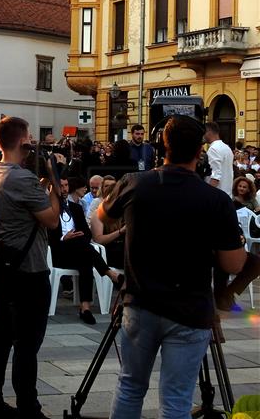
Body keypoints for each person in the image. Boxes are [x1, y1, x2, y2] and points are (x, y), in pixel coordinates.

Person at [102, 115, 245, 419]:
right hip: (189, 309)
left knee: (130, 386)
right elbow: (233, 263)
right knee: (177, 399)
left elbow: (103, 215)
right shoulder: (215, 200)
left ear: (161, 147)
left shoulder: (135, 183)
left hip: (140, 304)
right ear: (199, 152)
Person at [0, 116, 61, 419]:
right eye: (29, 136)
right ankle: (29, 407)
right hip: (27, 269)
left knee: (1, 336)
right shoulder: (23, 178)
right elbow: (52, 220)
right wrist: (53, 188)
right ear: (23, 140)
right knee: (27, 342)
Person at [49, 177, 122, 324]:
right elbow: (47, 236)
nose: (64, 189)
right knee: (83, 250)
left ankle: (85, 308)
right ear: (53, 188)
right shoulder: (49, 209)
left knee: (85, 258)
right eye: (61, 186)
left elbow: (88, 233)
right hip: (58, 252)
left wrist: (78, 235)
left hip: (78, 251)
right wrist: (64, 237)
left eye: (66, 185)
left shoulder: (75, 208)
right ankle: (109, 273)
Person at [89, 177, 124, 268]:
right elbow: (98, 240)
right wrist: (120, 232)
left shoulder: (122, 211)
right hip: (109, 251)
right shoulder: (98, 214)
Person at [205, 121, 234, 196]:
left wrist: (208, 195)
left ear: (209, 132)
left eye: (203, 133)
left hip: (217, 195)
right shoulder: (227, 147)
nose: (203, 136)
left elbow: (215, 175)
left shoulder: (213, 148)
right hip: (227, 193)